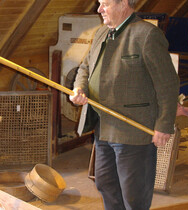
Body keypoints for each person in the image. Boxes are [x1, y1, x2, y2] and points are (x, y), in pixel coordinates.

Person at [70, 0, 179, 209]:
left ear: (124, 4)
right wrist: (80, 88)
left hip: (133, 131)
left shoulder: (146, 35)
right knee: (105, 183)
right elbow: (84, 68)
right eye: (99, 3)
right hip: (104, 126)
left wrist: (164, 125)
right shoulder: (102, 33)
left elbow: (168, 84)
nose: (99, 9)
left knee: (134, 193)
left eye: (105, 4)